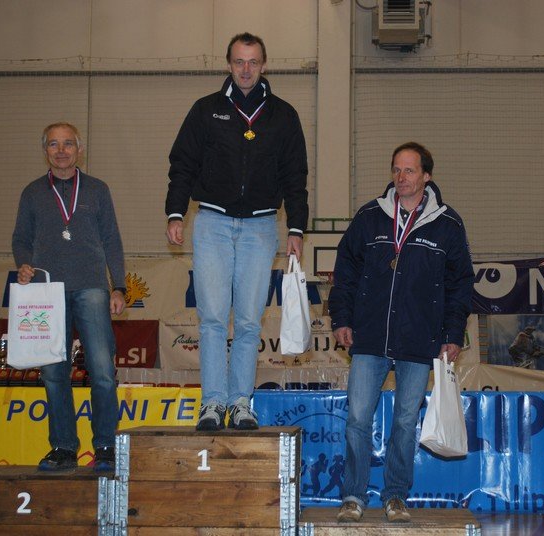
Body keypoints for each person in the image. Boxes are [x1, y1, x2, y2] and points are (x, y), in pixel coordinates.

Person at [166, 32, 308, 431]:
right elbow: (183, 164)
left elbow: (296, 176)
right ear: (229, 64)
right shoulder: (205, 110)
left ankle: (241, 403)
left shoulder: (283, 115)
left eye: (253, 62)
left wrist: (297, 227)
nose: (246, 69)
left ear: (264, 65)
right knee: (212, 319)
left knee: (248, 322)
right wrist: (175, 212)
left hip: (261, 227)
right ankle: (213, 403)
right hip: (211, 223)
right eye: (239, 62)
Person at [328, 142, 474, 523]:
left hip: (418, 339)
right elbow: (344, 272)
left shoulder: (448, 224)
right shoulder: (369, 217)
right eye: (396, 169)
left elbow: (460, 284)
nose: (401, 177)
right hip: (370, 337)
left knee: (406, 422)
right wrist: (341, 319)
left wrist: (452, 333)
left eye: (409, 170)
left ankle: (395, 496)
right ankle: (353, 496)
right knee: (357, 418)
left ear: (426, 175)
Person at [12, 122, 126, 472]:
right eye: (53, 144)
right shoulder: (32, 192)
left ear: (80, 149)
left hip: (92, 287)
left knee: (102, 372)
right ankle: (63, 447)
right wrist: (23, 264)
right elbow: (20, 239)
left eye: (67, 144)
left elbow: (112, 239)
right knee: (53, 374)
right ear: (45, 150)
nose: (61, 151)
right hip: (46, 293)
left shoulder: (98, 189)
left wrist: (119, 286)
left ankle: (106, 446)